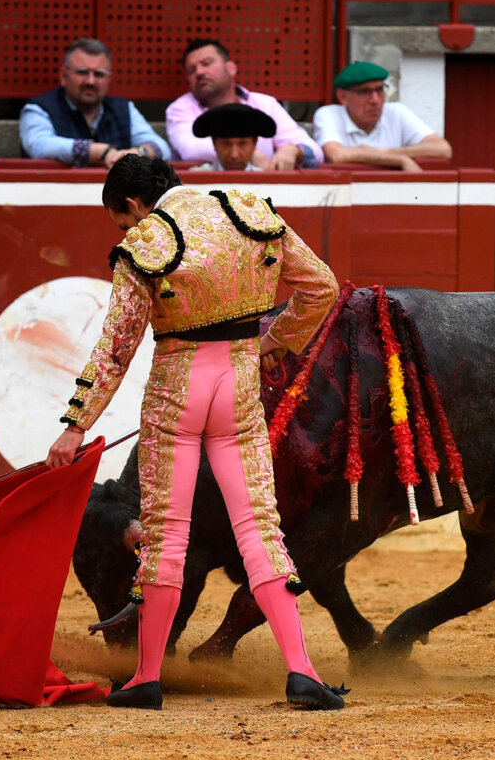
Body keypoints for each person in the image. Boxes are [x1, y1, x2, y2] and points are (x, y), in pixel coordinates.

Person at [45, 155, 345, 712]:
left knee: (167, 536)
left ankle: (145, 678)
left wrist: (76, 425)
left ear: (133, 204)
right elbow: (321, 287)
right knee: (260, 528)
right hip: (239, 385)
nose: (129, 230)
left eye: (124, 221)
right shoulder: (250, 213)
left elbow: (116, 348)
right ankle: (303, 671)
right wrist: (275, 341)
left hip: (177, 391)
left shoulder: (146, 241)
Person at [166, 38, 321, 171]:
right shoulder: (179, 109)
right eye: (191, 70)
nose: (199, 72)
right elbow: (189, 149)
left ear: (231, 68)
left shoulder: (265, 103)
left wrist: (294, 150)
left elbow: (315, 151)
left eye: (207, 63)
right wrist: (249, 154)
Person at [21, 38, 171, 168]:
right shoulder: (39, 108)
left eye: (99, 74)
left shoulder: (124, 109)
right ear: (63, 76)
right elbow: (38, 146)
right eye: (82, 72)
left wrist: (137, 153)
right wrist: (99, 151)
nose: (90, 81)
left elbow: (163, 148)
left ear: (109, 80)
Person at [312, 61, 453, 171]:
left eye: (379, 90)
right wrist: (401, 160)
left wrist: (384, 152)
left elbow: (443, 149)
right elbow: (337, 155)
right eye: (364, 92)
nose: (375, 100)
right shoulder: (329, 114)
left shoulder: (396, 112)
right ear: (343, 97)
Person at [190, 103, 276, 172]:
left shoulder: (266, 182)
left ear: (254, 143)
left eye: (242, 144)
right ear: (214, 143)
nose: (234, 155)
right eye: (226, 144)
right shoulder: (195, 180)